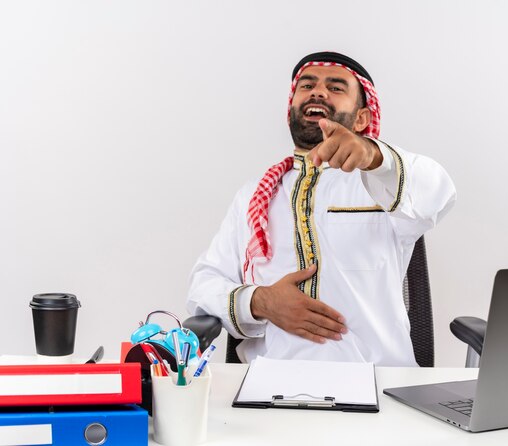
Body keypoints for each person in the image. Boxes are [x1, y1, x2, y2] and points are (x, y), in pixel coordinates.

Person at [187, 52, 456, 366]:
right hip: (267, 388)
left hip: (377, 386)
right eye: (307, 85)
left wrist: (373, 156)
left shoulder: (381, 180)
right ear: (292, 108)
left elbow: (439, 192)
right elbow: (203, 286)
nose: (317, 92)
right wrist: (260, 301)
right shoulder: (254, 195)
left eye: (336, 87)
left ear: (362, 119)